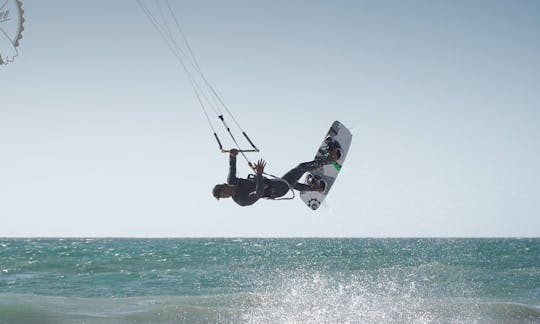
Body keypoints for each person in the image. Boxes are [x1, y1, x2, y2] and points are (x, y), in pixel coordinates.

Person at [212, 149, 338, 206]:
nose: (227, 195)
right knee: (300, 167)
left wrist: (233, 155)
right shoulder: (241, 200)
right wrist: (259, 174)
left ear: (224, 185)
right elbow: (259, 192)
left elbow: (231, 167)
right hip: (276, 191)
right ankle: (329, 159)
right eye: (224, 197)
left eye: (224, 192)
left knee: (292, 183)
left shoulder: (232, 180)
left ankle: (316, 188)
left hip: (272, 183)